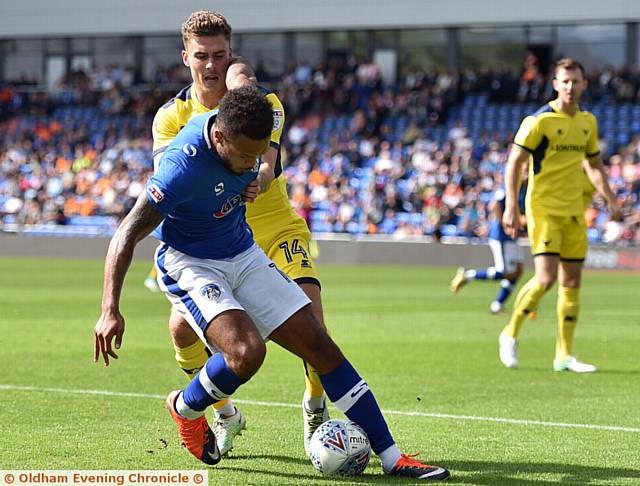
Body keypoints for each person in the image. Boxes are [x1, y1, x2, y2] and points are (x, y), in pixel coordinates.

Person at [93, 86, 450, 480]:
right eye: (246, 156)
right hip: (191, 263)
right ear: (219, 137)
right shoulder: (181, 166)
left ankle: (393, 458)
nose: (253, 162)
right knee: (247, 353)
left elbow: (247, 101)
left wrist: (257, 171)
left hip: (242, 252)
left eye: (258, 153)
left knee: (321, 347)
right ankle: (184, 408)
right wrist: (110, 309)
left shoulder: (248, 139)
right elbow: (126, 233)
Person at [146, 10, 331, 456]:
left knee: (314, 323)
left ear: (230, 56)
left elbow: (268, 163)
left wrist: (262, 174)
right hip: (214, 242)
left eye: (220, 56)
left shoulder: (258, 102)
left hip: (274, 226)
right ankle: (224, 413)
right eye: (202, 56)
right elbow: (173, 182)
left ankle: (316, 409)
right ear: (185, 57)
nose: (211, 65)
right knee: (181, 333)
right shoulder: (170, 118)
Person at [498, 58, 620, 372]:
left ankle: (564, 355)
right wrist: (512, 205)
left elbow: (593, 165)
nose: (569, 87)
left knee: (572, 282)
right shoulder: (538, 121)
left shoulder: (587, 122)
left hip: (575, 211)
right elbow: (515, 163)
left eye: (575, 81)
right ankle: (509, 334)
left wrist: (609, 197)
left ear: (583, 84)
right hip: (543, 209)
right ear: (555, 84)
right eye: (564, 81)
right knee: (547, 278)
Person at [450, 187, 524, 314]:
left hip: (512, 236)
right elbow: (494, 205)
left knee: (517, 271)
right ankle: (467, 275)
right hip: (501, 236)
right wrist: (505, 224)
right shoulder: (508, 185)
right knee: (505, 271)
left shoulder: (527, 186)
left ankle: (497, 305)